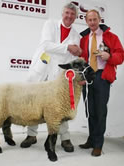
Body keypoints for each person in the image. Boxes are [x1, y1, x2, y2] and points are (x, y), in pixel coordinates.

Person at [20, 3, 82, 152]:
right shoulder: (50, 24)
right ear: (63, 13)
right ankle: (31, 135)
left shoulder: (76, 36)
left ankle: (65, 138)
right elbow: (47, 45)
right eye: (67, 13)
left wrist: (70, 50)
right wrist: (68, 48)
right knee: (34, 104)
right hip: (41, 70)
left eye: (72, 14)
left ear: (75, 17)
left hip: (58, 75)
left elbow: (71, 57)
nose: (69, 16)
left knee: (59, 107)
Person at [79, 9, 124, 156]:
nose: (92, 22)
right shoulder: (84, 38)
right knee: (90, 111)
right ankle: (91, 139)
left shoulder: (111, 36)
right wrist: (82, 77)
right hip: (88, 76)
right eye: (89, 20)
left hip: (102, 76)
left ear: (99, 20)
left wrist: (109, 56)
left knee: (100, 111)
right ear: (86, 21)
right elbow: (82, 60)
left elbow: (121, 55)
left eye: (95, 19)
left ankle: (98, 144)